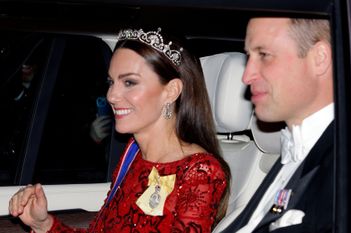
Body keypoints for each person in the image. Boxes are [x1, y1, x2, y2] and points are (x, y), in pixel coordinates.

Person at [9, 27, 230, 233]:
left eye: (129, 83)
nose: (111, 96)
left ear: (171, 91)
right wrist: (43, 223)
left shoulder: (200, 171)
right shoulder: (133, 155)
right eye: (111, 82)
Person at [220, 17, 351, 233]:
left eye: (264, 55)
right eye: (248, 57)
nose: (247, 75)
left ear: (320, 58)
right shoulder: (295, 153)